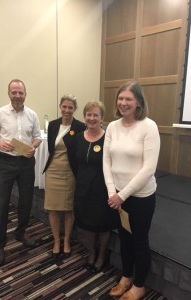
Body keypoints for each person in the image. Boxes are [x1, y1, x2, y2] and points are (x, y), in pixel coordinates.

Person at [103, 81, 160, 300]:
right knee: (124, 238)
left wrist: (121, 195)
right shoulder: (113, 127)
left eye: (128, 99)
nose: (123, 103)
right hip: (117, 197)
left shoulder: (149, 126)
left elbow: (149, 169)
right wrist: (112, 193)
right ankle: (126, 276)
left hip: (140, 198)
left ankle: (139, 285)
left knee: (139, 240)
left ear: (138, 102)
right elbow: (106, 161)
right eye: (120, 98)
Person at [0, 79, 42, 266]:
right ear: (8, 93)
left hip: (26, 162)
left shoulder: (32, 114)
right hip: (5, 162)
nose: (17, 96)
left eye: (20, 92)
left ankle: (21, 233)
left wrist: (33, 147)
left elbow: (37, 137)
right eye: (14, 92)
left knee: (26, 200)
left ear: (25, 94)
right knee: (2, 203)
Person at [74, 101, 118, 273]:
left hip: (102, 189)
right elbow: (73, 162)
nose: (91, 118)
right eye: (88, 114)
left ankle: (101, 255)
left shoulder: (109, 138)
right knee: (87, 224)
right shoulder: (77, 137)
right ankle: (92, 252)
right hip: (83, 189)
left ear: (102, 118)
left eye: (95, 115)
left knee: (103, 225)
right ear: (84, 117)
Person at [43, 94, 86, 259]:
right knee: (53, 209)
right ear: (60, 107)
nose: (67, 110)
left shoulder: (80, 127)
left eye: (70, 107)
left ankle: (67, 240)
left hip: (70, 173)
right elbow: (50, 149)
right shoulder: (53, 125)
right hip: (53, 171)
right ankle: (56, 240)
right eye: (64, 107)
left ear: (75, 109)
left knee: (68, 209)